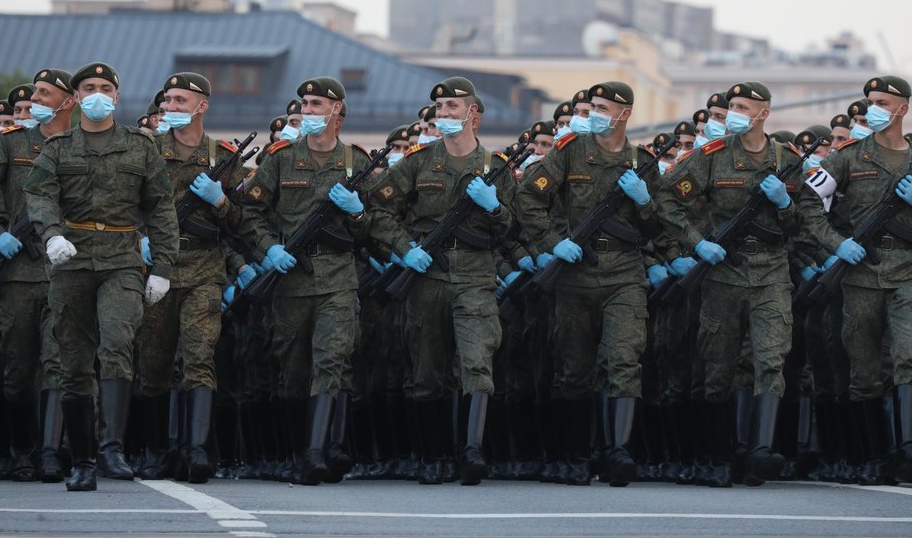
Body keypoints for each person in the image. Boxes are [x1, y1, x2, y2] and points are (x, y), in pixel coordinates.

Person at [23, 61, 179, 491]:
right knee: (73, 359)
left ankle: (112, 447)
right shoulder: (58, 148)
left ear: (116, 96)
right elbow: (39, 196)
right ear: (76, 98)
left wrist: (163, 267)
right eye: (88, 87)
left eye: (104, 87)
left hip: (121, 261)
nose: (97, 93)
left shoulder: (139, 146)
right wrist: (52, 235)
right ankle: (84, 459)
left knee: (116, 343)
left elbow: (161, 209)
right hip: (70, 261)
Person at [517, 81, 671, 487]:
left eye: (602, 107)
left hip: (624, 271)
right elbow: (528, 198)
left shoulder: (642, 163)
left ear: (624, 114)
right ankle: (573, 456)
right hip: (576, 272)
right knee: (574, 367)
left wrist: (642, 200)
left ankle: (617, 452)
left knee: (623, 359)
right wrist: (553, 243)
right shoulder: (570, 153)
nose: (593, 114)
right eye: (591, 108)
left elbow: (657, 226)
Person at [367, 76, 517, 486]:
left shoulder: (495, 168)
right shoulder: (417, 162)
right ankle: (431, 456)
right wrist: (403, 247)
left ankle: (470, 452)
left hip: (475, 276)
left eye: (453, 107)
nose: (444, 114)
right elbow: (377, 211)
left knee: (477, 362)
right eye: (440, 108)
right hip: (426, 275)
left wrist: (496, 209)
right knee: (427, 370)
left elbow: (514, 229)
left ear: (473, 114)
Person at [798, 75, 912, 485]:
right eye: (870, 100)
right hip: (860, 274)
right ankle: (870, 457)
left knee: (909, 352)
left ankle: (908, 448)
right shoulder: (846, 158)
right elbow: (809, 202)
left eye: (882, 101)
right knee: (863, 373)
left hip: (909, 271)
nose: (873, 107)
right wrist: (836, 243)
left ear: (903, 108)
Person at [658, 81, 803, 487]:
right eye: (732, 105)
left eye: (743, 106)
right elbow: (666, 198)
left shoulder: (786, 159)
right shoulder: (711, 156)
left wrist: (785, 203)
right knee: (717, 365)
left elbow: (802, 223)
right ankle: (717, 455)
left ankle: (760, 450)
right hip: (723, 272)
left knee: (770, 358)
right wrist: (697, 243)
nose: (736, 112)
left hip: (771, 271)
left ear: (764, 114)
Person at [241, 76, 371, 486]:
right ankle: (298, 451)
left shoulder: (357, 162)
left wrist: (357, 214)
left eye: (316, 104)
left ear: (336, 112)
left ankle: (317, 453)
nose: (308, 111)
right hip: (290, 280)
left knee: (330, 361)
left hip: (336, 278)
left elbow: (376, 229)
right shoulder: (280, 159)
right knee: (293, 369)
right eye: (305, 104)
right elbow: (248, 212)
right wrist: (268, 249)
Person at [135, 72, 248, 483]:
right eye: (167, 101)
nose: (170, 108)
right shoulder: (143, 151)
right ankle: (156, 450)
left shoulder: (223, 157)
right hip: (157, 268)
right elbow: (121, 204)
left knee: (199, 357)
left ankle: (196, 450)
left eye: (180, 101)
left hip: (203, 270)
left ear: (201, 107)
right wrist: (139, 241)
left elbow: (241, 222)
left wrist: (219, 201)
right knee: (154, 362)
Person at [0, 68, 74, 482]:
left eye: (46, 94)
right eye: (35, 94)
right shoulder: (9, 145)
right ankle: (18, 449)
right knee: (16, 367)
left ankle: (48, 453)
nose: (37, 100)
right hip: (19, 275)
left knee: (56, 362)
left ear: (67, 101)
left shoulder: (80, 147)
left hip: (64, 273)